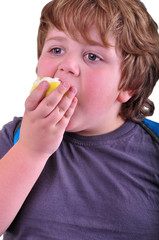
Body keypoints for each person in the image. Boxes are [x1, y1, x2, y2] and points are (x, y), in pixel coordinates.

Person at [0, 0, 159, 239]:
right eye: (56, 50)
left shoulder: (154, 147)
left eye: (92, 56)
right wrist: (31, 150)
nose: (67, 66)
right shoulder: (15, 138)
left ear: (130, 84)